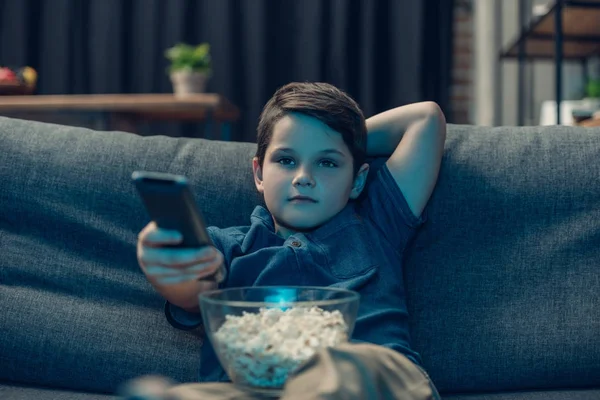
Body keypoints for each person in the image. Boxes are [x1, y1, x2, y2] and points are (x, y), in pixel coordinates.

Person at [135, 82, 446, 400]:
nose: (303, 177)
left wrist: (344, 137)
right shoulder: (228, 246)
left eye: (327, 163)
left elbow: (424, 119)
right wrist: (170, 268)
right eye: (286, 160)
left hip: (372, 380)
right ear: (259, 174)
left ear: (358, 180)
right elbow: (195, 288)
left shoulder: (378, 221)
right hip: (257, 386)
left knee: (340, 367)